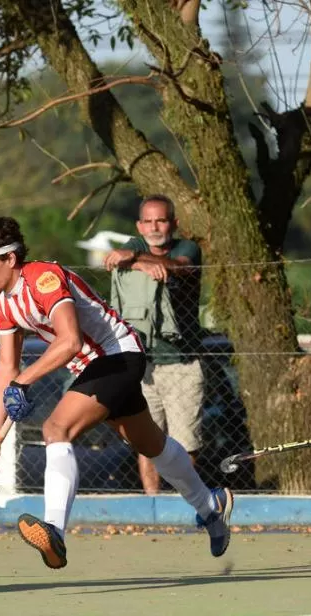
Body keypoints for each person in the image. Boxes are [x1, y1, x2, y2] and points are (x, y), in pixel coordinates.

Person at [0, 215, 232, 569]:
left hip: (118, 354)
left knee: (56, 429)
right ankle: (210, 506)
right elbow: (7, 372)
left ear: (10, 259)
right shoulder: (2, 303)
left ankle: (54, 531)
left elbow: (70, 341)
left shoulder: (43, 278)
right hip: (92, 368)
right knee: (151, 444)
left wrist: (24, 381)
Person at [104, 195, 206, 494]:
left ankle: (186, 499)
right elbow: (112, 259)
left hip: (181, 363)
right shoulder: (135, 244)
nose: (154, 227)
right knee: (148, 441)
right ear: (139, 225)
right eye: (148, 221)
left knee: (185, 442)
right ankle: (153, 503)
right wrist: (137, 260)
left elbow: (178, 266)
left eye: (161, 220)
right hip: (142, 365)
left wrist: (136, 261)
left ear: (173, 223)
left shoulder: (188, 248)